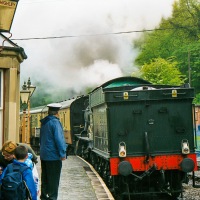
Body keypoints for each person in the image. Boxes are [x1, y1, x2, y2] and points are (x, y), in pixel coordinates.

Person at [40, 103, 67, 200]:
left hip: (44, 155)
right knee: (53, 180)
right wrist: (62, 153)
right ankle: (52, 198)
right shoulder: (55, 122)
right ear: (57, 113)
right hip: (53, 156)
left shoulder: (44, 122)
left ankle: (44, 197)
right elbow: (59, 139)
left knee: (45, 179)